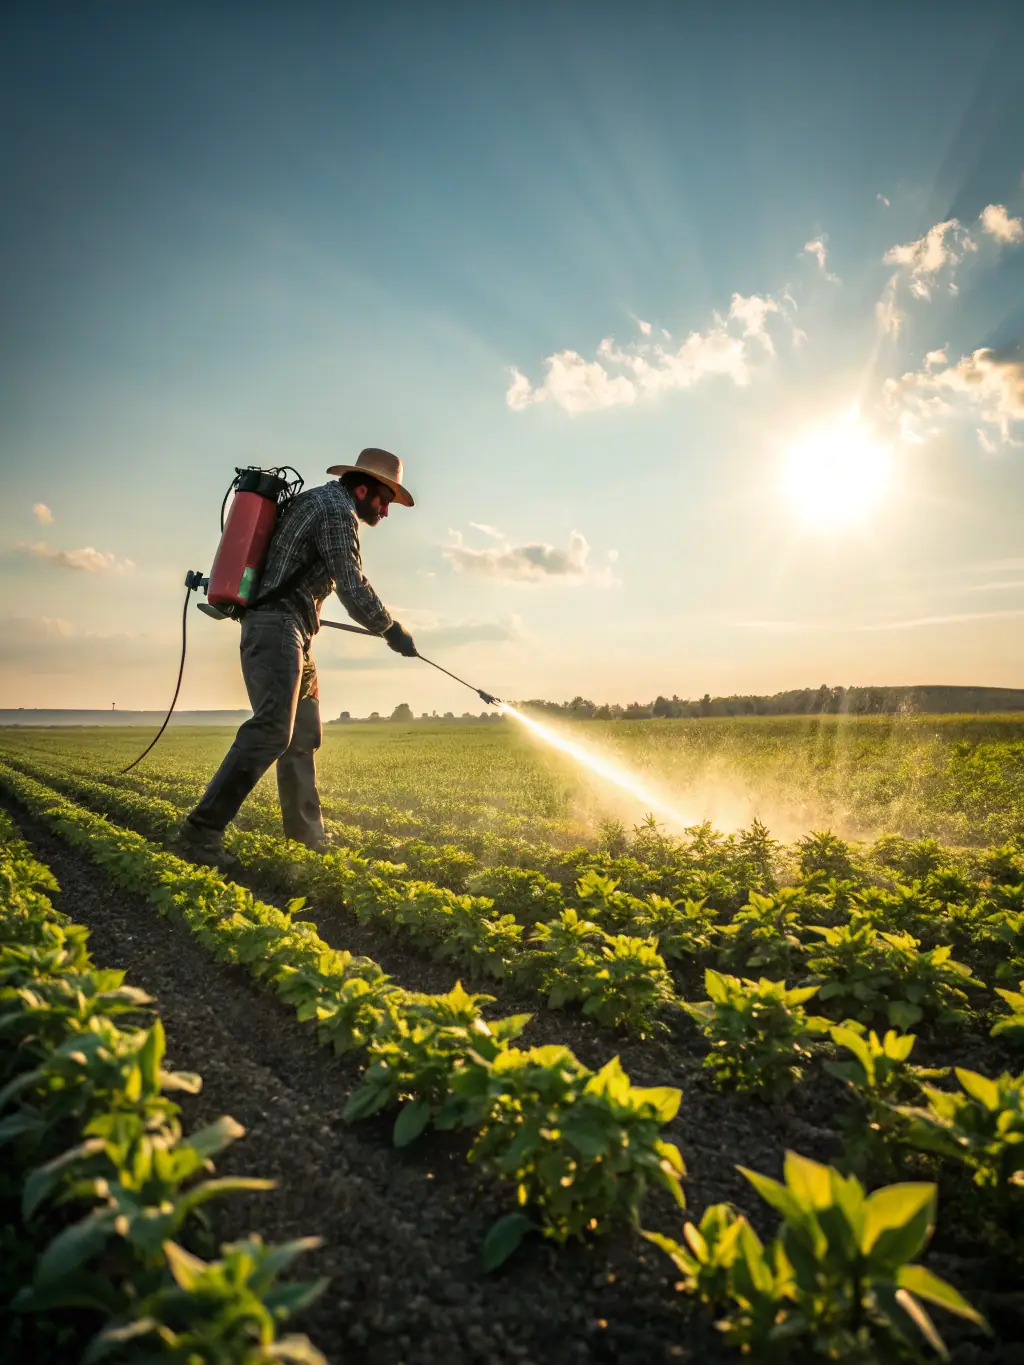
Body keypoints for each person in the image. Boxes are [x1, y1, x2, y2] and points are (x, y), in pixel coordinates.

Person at [173, 448, 417, 867]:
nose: (386, 512)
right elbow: (353, 586)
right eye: (384, 500)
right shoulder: (337, 511)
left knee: (302, 736)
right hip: (277, 629)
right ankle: (199, 834)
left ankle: (306, 839)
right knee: (272, 731)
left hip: (294, 633)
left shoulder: (318, 501)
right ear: (363, 488)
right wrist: (392, 630)